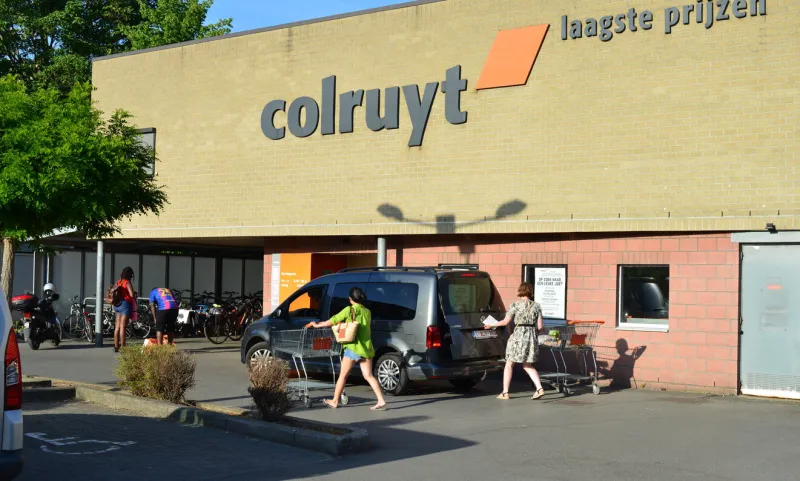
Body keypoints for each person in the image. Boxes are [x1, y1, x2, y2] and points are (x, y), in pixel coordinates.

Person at [309, 287, 387, 411]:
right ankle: (381, 400)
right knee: (368, 375)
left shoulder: (349, 310)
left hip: (353, 348)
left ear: (350, 299)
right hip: (366, 348)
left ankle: (334, 401)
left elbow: (333, 320)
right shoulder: (367, 311)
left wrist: (318, 325)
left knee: (343, 376)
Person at [485, 282, 546, 400]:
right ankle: (539, 388)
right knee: (527, 365)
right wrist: (531, 334)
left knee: (509, 364)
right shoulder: (537, 306)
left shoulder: (515, 305)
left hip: (518, 337)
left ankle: (505, 392)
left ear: (520, 291)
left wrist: (491, 325)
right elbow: (540, 327)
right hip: (531, 338)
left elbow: (505, 322)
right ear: (531, 292)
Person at [113, 267, 136, 353]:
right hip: (125, 305)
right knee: (123, 327)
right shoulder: (127, 282)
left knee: (117, 327)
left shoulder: (118, 282)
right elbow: (131, 294)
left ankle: (116, 346)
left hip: (117, 304)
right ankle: (123, 346)